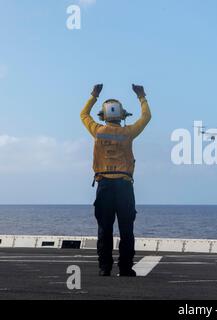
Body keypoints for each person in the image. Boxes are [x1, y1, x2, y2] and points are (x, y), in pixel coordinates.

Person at [80, 84, 151, 276]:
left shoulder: (98, 131)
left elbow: (83, 115)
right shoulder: (127, 133)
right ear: (122, 116)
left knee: (105, 229)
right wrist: (142, 96)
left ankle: (105, 268)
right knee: (126, 229)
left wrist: (93, 95)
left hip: (104, 185)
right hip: (124, 186)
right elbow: (146, 118)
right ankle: (126, 268)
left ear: (102, 116)